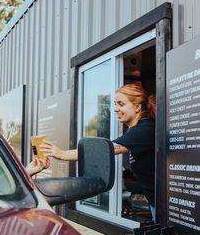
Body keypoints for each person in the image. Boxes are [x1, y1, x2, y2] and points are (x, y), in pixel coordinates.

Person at [40, 83, 156, 219]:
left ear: (137, 106)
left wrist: (63, 154)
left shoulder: (144, 129)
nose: (115, 109)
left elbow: (107, 149)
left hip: (159, 202)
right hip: (153, 200)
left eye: (121, 104)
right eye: (115, 104)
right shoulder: (138, 130)